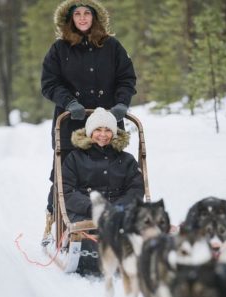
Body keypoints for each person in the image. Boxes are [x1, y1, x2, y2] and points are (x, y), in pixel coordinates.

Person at [40, 0, 137, 235]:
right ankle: (57, 221)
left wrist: (122, 103)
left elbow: (127, 78)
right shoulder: (59, 49)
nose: (82, 18)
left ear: (95, 17)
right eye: (77, 14)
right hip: (70, 122)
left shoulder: (112, 46)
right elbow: (49, 83)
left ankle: (114, 216)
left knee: (112, 170)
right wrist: (69, 101)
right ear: (69, 19)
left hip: (108, 121)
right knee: (67, 174)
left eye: (87, 13)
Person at [62, 108, 144, 223]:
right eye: (98, 130)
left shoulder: (127, 160)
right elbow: (67, 191)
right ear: (90, 132)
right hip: (84, 214)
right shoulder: (75, 158)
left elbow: (136, 189)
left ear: (114, 133)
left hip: (121, 213)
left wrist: (119, 208)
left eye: (108, 130)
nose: (103, 135)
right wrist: (94, 208)